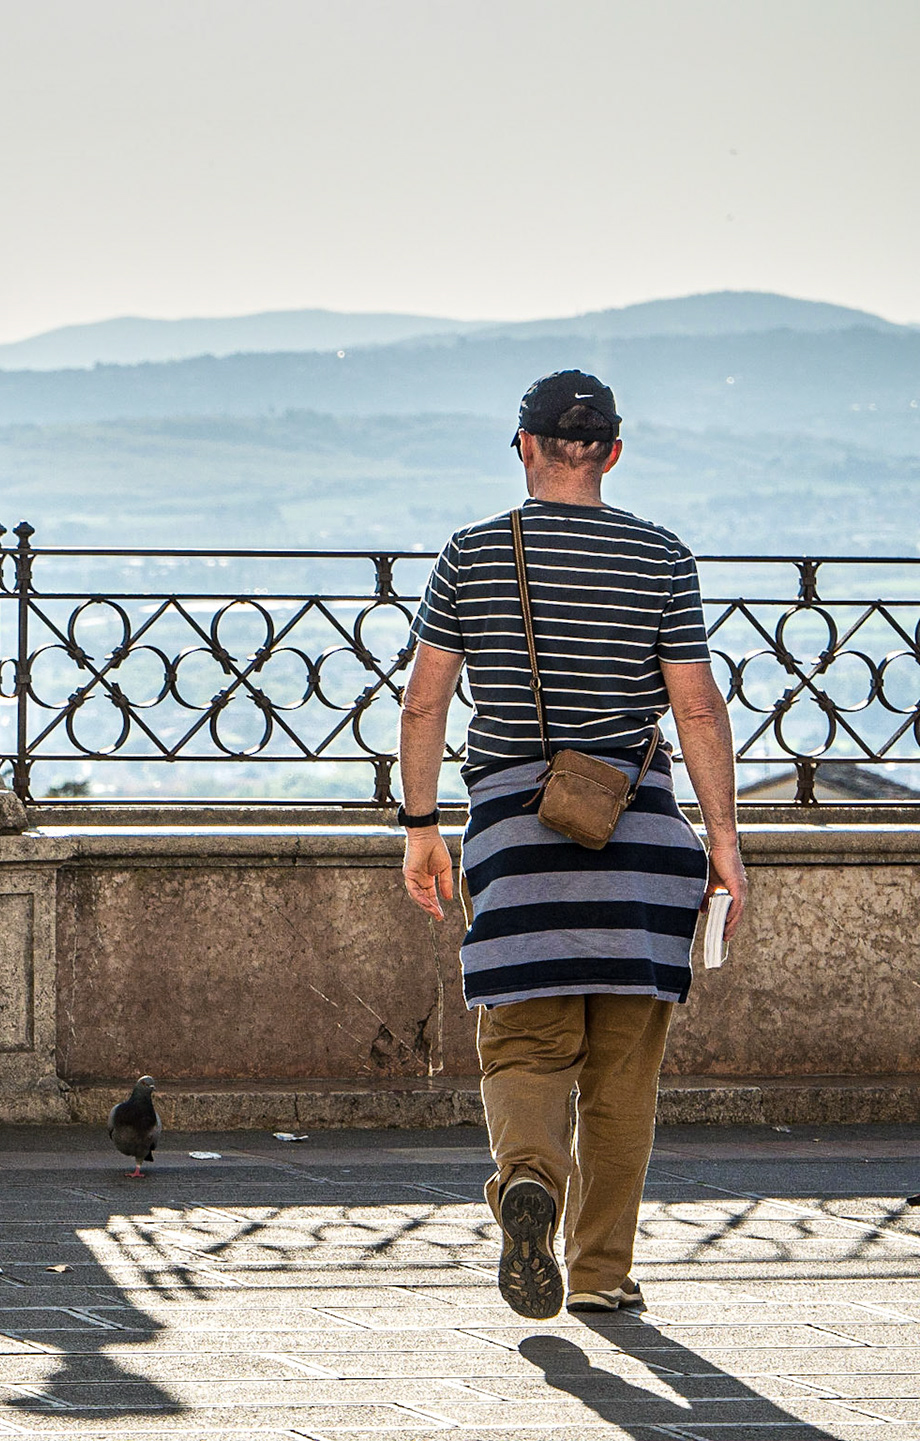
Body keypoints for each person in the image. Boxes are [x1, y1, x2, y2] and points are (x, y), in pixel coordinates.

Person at [396, 371, 747, 1319]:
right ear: (613, 453)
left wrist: (422, 829)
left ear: (524, 446)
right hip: (641, 846)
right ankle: (600, 1274)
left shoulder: (474, 554)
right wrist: (724, 840)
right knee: (625, 1075)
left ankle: (530, 1183)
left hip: (516, 844)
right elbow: (698, 706)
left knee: (522, 1043)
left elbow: (426, 700)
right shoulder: (661, 556)